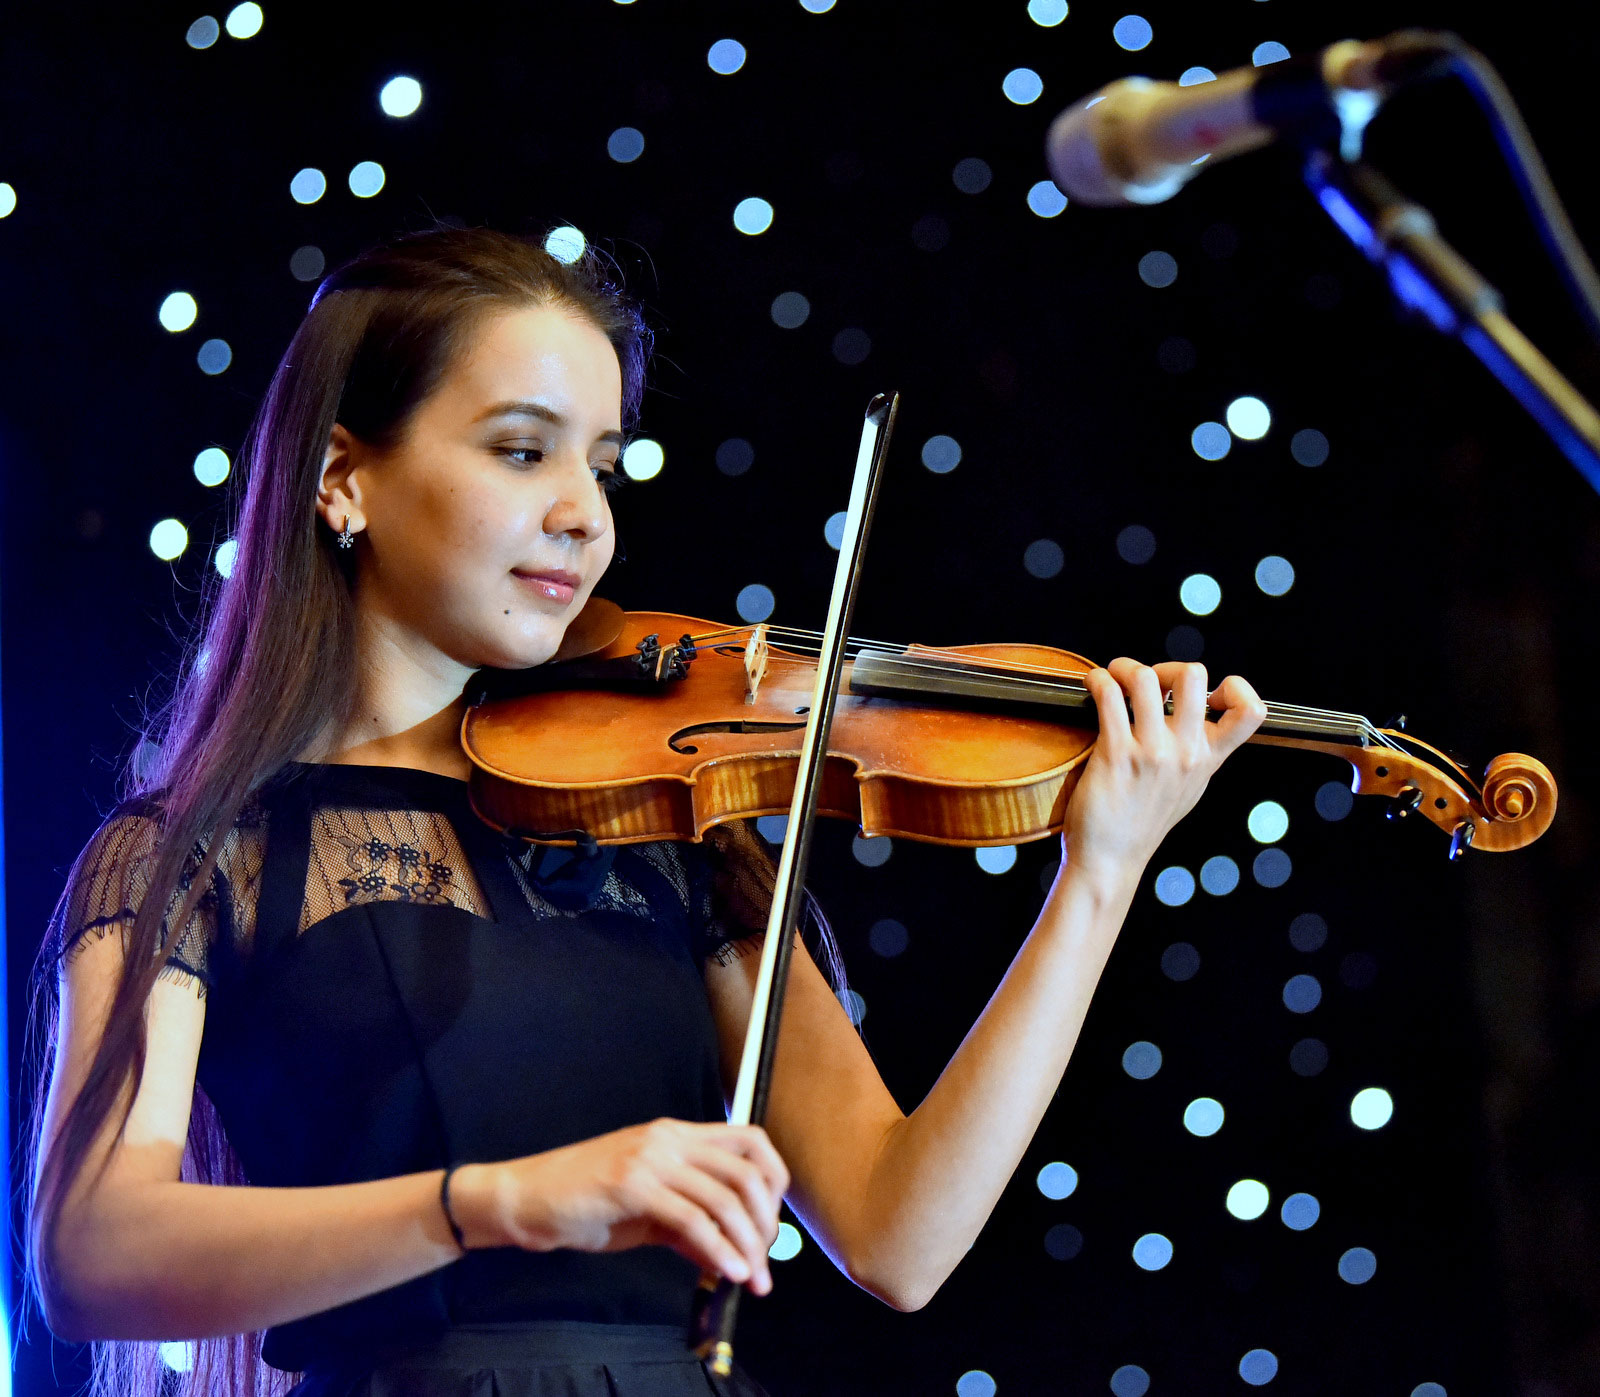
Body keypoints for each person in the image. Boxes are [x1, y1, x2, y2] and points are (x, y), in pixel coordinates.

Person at [22, 224, 1266, 1397]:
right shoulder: (198, 853)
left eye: (603, 464)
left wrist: (1099, 873)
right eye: (523, 450)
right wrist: (497, 1199)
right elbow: (90, 1251)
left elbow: (901, 1232)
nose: (586, 513)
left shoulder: (659, 833)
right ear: (345, 477)